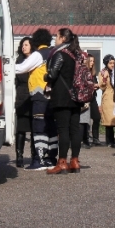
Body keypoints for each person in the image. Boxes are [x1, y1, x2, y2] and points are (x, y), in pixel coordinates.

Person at [14, 28, 58, 171]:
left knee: (39, 127)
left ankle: (38, 160)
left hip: (39, 95)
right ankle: (51, 158)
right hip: (52, 95)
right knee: (50, 127)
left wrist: (4, 65)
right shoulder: (53, 53)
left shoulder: (38, 54)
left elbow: (21, 68)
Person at [44, 29, 83, 175]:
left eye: (56, 36)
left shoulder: (59, 54)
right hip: (77, 96)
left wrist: (45, 76)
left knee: (63, 130)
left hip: (62, 96)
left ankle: (62, 162)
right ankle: (75, 161)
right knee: (75, 129)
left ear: (62, 38)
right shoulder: (77, 54)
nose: (55, 39)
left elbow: (53, 74)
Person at [13, 37, 34, 168]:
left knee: (34, 129)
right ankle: (19, 156)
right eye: (22, 45)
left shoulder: (36, 60)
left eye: (26, 45)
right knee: (20, 129)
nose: (23, 47)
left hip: (33, 97)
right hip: (21, 97)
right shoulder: (19, 61)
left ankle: (34, 155)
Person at [98, 55, 115, 147]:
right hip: (108, 98)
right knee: (109, 121)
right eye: (110, 63)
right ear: (106, 63)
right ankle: (110, 141)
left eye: (113, 63)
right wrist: (105, 78)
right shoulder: (102, 72)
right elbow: (101, 86)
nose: (112, 65)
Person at [83, 54, 103, 147]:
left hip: (93, 97)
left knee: (97, 117)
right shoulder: (83, 72)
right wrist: (92, 86)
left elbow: (94, 83)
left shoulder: (93, 73)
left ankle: (95, 138)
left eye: (93, 61)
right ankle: (85, 138)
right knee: (85, 119)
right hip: (85, 98)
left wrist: (96, 86)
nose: (92, 63)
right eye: (90, 61)